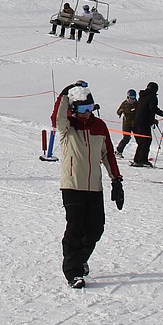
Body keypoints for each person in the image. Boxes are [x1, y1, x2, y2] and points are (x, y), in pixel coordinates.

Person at [50, 81, 124, 289]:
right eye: (82, 109)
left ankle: (81, 258)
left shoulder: (99, 126)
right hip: (72, 185)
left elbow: (108, 153)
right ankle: (73, 272)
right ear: (74, 109)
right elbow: (58, 117)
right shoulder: (67, 127)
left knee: (96, 228)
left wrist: (116, 180)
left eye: (90, 108)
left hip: (94, 187)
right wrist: (64, 95)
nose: (86, 113)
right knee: (75, 228)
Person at [130, 82, 163, 167]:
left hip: (137, 121)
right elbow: (152, 108)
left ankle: (137, 159)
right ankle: (142, 160)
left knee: (142, 142)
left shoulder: (143, 96)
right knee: (146, 141)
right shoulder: (152, 97)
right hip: (144, 122)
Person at [114, 89, 138, 157]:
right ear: (127, 97)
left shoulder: (137, 104)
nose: (132, 100)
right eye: (130, 98)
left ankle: (140, 155)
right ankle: (118, 151)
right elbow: (118, 111)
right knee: (126, 138)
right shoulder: (124, 104)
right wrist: (121, 111)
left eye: (134, 98)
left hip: (135, 124)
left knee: (139, 139)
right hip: (127, 124)